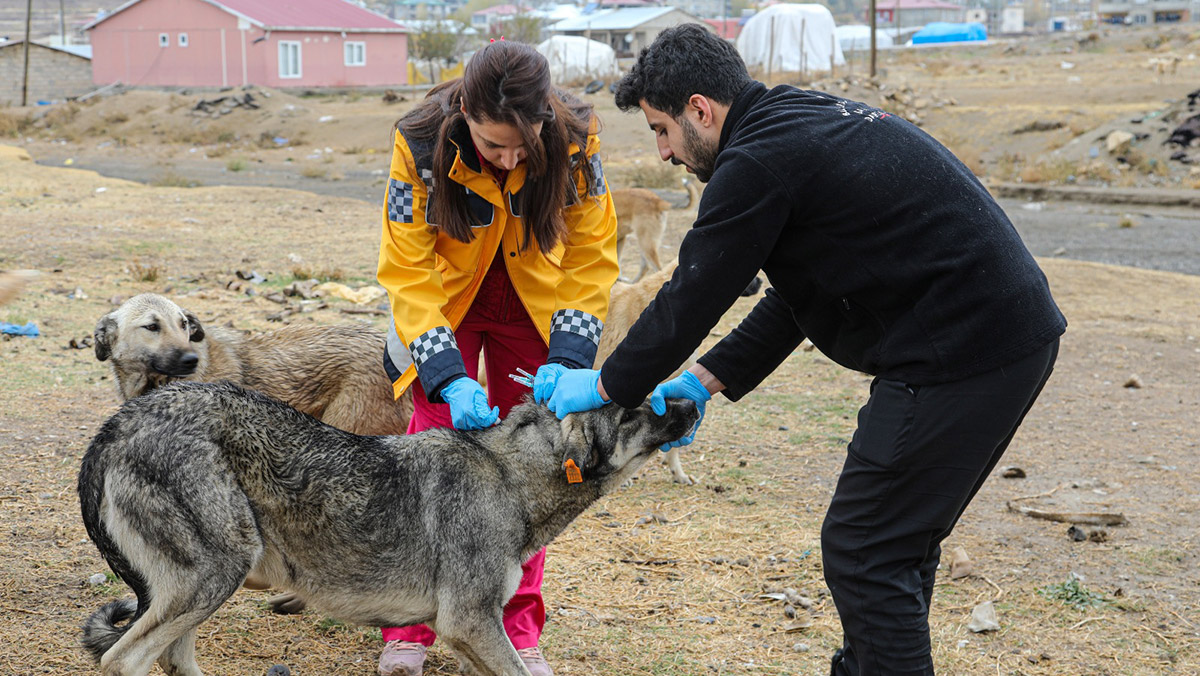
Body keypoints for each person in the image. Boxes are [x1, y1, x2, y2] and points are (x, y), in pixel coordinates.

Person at [537, 24, 1066, 676]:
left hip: (963, 349)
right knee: (890, 547)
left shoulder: (755, 160)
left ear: (700, 109)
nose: (665, 153)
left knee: (865, 548)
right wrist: (706, 380)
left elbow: (693, 292)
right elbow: (800, 294)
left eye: (661, 130)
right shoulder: (790, 124)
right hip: (990, 335)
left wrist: (606, 385)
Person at [376, 40, 619, 676]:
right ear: (465, 114)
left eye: (523, 146)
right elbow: (407, 269)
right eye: (492, 146)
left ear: (545, 119)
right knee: (427, 451)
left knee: (535, 460)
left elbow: (593, 252)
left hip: (536, 305)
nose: (510, 160)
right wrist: (447, 376)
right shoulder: (418, 144)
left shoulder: (578, 139)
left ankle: (516, 630)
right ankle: (407, 626)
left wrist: (569, 353)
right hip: (447, 306)